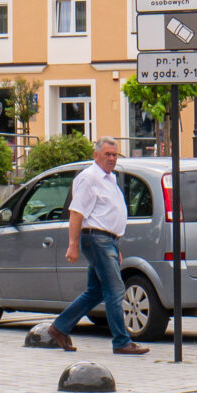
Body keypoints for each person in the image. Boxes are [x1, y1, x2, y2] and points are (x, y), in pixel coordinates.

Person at [46, 136, 146, 355]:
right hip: (96, 239)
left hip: (107, 240)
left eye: (114, 155)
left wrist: (115, 245)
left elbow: (106, 214)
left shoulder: (109, 178)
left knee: (96, 291)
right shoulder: (89, 178)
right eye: (107, 154)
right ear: (96, 155)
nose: (111, 159)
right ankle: (121, 341)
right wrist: (72, 245)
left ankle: (59, 328)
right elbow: (77, 212)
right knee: (115, 288)